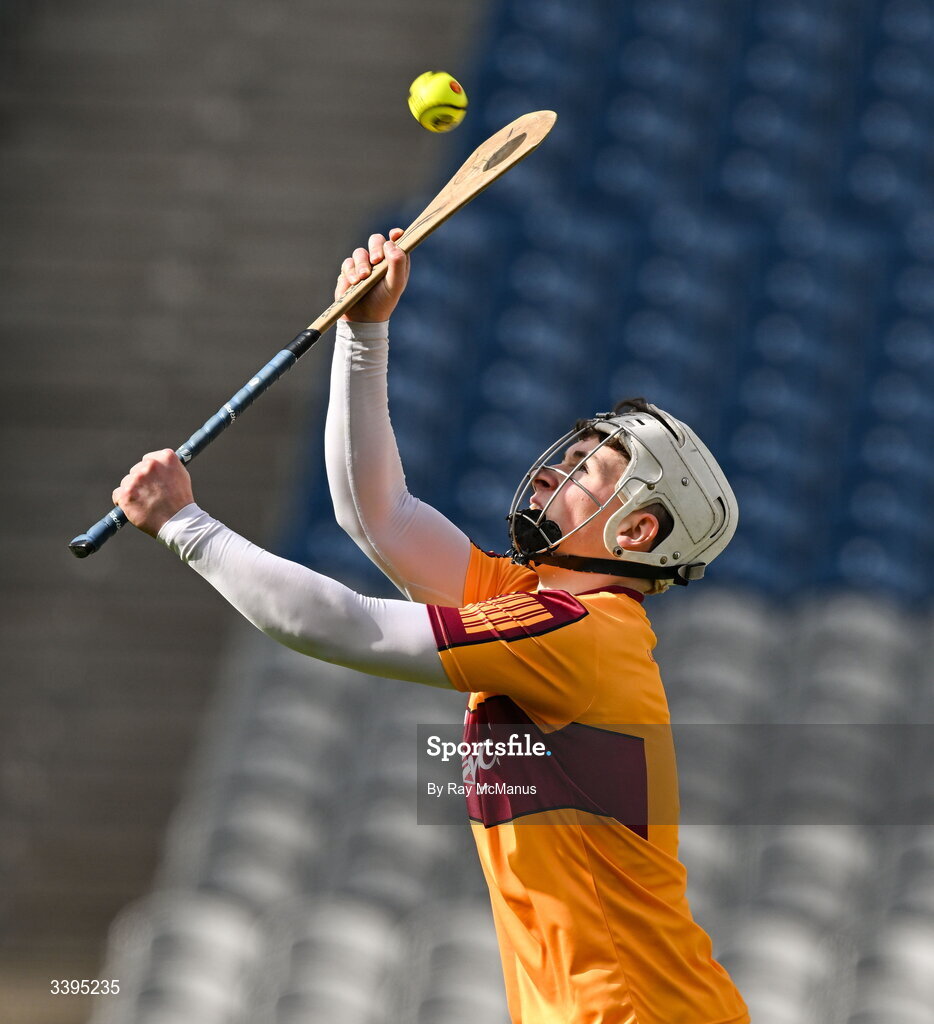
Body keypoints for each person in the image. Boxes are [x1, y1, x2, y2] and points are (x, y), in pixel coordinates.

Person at [113, 229, 749, 1024]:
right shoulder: (539, 602)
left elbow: (339, 626)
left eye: (586, 470)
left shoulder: (578, 633)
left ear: (639, 533)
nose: (553, 470)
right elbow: (380, 516)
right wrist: (364, 331)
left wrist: (188, 527)